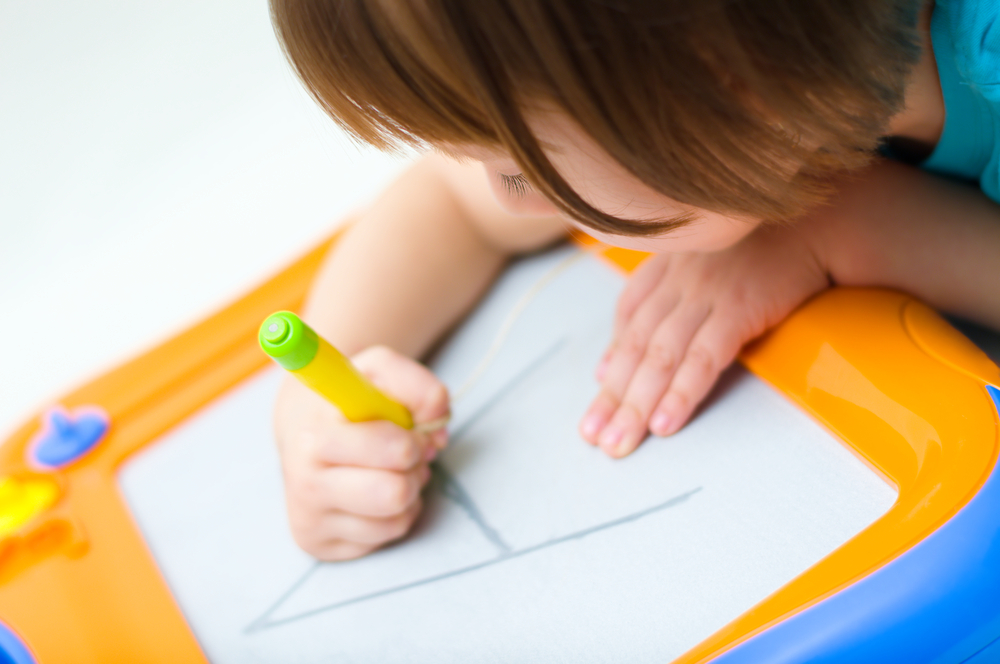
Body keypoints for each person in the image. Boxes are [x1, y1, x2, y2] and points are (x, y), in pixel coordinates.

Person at [267, 0, 1000, 560]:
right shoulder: (672, 77)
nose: (500, 196)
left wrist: (855, 224)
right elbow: (446, 201)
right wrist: (314, 398)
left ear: (727, 91)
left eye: (516, 170)